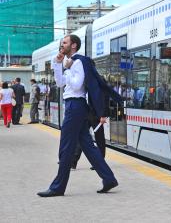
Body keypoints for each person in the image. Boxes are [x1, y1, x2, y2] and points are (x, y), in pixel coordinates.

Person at [37, 34, 119, 197]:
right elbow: (60, 83)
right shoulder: (70, 62)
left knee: (66, 146)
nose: (62, 45)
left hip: (75, 105)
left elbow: (76, 85)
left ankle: (58, 187)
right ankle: (108, 178)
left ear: (73, 45)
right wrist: (57, 64)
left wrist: (68, 68)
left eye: (65, 42)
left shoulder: (79, 61)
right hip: (74, 106)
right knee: (87, 146)